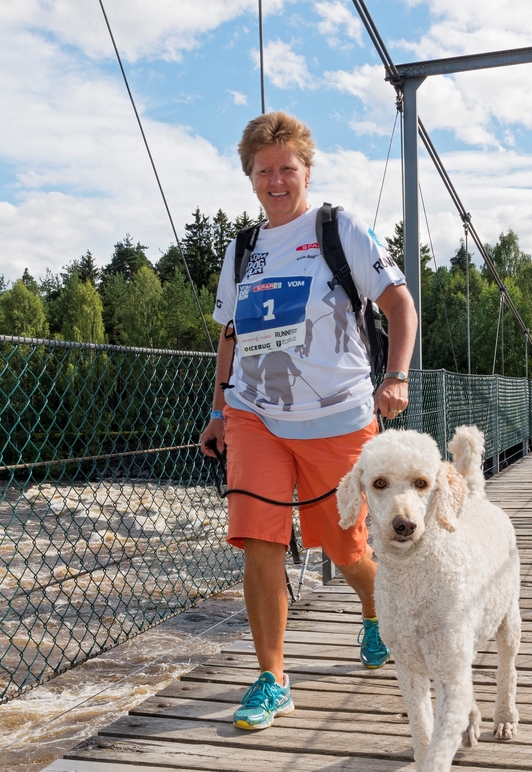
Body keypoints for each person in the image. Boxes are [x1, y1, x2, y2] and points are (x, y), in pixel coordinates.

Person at [199, 112, 417, 731]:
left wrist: (395, 376)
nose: (275, 180)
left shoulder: (337, 228)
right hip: (254, 415)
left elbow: (399, 303)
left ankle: (377, 611)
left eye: (286, 169)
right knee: (260, 541)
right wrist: (219, 410)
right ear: (249, 176)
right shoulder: (242, 250)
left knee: (345, 547)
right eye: (263, 171)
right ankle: (272, 677)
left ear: (306, 170)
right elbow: (230, 334)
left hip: (339, 418)